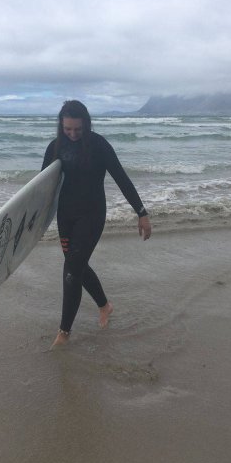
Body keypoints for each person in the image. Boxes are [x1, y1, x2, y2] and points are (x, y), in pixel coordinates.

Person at [42, 100, 152, 347]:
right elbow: (42, 188)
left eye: (78, 129)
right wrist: (32, 223)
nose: (72, 134)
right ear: (61, 126)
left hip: (92, 215)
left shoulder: (99, 145)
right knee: (77, 267)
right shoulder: (55, 147)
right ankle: (104, 305)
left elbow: (122, 178)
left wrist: (141, 213)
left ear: (86, 124)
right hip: (66, 216)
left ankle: (64, 333)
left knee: (72, 270)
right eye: (67, 129)